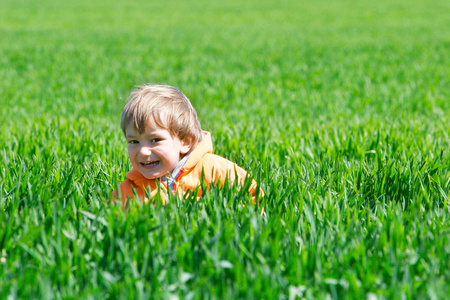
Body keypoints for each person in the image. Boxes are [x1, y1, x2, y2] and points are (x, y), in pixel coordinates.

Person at [112, 84, 263, 210]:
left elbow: (253, 194)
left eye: (155, 140)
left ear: (185, 142)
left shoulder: (213, 170)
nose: (143, 151)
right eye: (134, 142)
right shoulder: (127, 190)